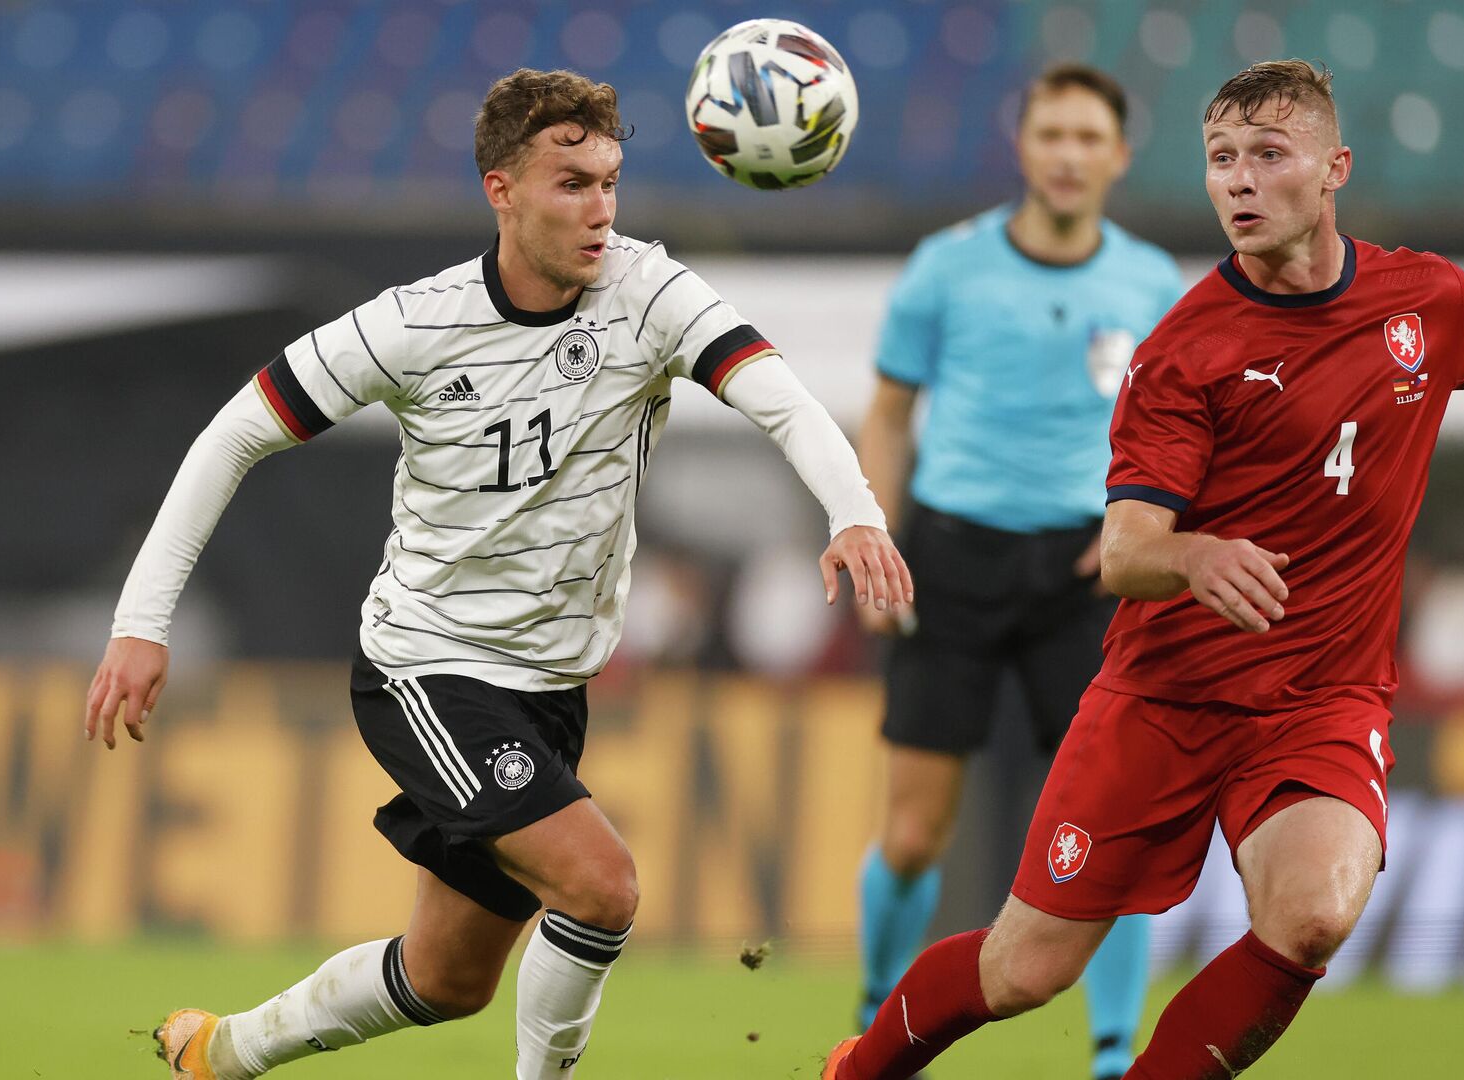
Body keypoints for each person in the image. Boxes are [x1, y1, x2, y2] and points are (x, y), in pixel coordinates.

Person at [822, 59, 1464, 1080]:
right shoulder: (1183, 351)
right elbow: (1124, 552)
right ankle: (853, 1072)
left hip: (1321, 700)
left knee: (1311, 917)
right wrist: (1195, 553)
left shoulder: (1425, 304)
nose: (1240, 182)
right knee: (1025, 970)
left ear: (1334, 167)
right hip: (1163, 698)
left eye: (1267, 155)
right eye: (1221, 161)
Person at [82, 68, 912, 1080]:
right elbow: (236, 432)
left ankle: (225, 1051)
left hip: (551, 687)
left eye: (610, 181)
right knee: (602, 888)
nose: (601, 209)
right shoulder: (414, 324)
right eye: (572, 183)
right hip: (429, 669)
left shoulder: (648, 292)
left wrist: (855, 510)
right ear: (502, 189)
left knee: (446, 978)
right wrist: (142, 618)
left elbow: (775, 394)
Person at [851, 62, 1182, 1080]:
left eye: (1090, 138)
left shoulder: (1153, 284)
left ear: (1119, 156)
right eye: (1053, 136)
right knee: (912, 833)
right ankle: (873, 1032)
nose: (1070, 155)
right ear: (1023, 148)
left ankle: (1115, 1056)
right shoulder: (946, 267)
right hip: (952, 559)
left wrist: (1144, 527)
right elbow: (892, 416)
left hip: (1088, 574)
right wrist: (874, 536)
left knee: (1113, 832)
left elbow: (1185, 437)